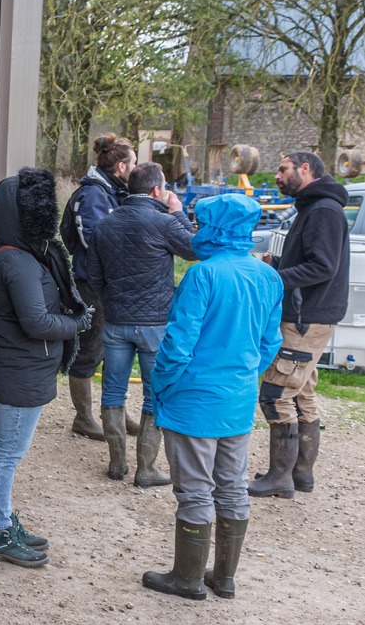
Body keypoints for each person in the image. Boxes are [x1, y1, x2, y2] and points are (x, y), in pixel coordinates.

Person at [141, 194, 283, 601]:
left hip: (193, 400)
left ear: (215, 227)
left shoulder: (203, 276)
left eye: (201, 224)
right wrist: (242, 378)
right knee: (233, 487)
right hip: (237, 401)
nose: (197, 232)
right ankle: (224, 577)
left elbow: (178, 344)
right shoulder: (268, 277)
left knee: (195, 490)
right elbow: (269, 343)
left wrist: (163, 384)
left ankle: (186, 579)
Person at [0, 168, 90, 568]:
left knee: (11, 450)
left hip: (21, 366)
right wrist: (78, 322)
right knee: (7, 453)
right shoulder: (15, 261)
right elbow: (37, 322)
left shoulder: (15, 254)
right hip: (17, 369)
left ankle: (4, 521)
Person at [86, 162, 196, 486]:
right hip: (154, 325)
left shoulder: (104, 224)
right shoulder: (163, 222)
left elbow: (94, 276)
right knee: (154, 396)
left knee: (113, 393)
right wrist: (178, 211)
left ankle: (117, 464)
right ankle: (146, 470)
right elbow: (193, 248)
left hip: (116, 322)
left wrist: (113, 302)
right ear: (156, 190)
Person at [249, 151, 350, 499]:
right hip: (310, 314)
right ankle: (299, 474)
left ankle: (280, 477)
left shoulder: (323, 210)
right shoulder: (313, 207)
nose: (277, 176)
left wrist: (273, 278)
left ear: (304, 169)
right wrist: (275, 262)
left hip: (307, 317)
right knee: (302, 393)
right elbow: (309, 260)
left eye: (283, 169)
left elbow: (323, 267)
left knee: (277, 393)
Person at [59, 134, 136, 439]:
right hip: (92, 285)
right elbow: (93, 240)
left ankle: (118, 413)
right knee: (90, 350)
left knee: (114, 351)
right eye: (133, 163)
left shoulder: (111, 192)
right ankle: (84, 417)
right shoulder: (93, 196)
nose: (136, 168)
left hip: (110, 283)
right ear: (120, 166)